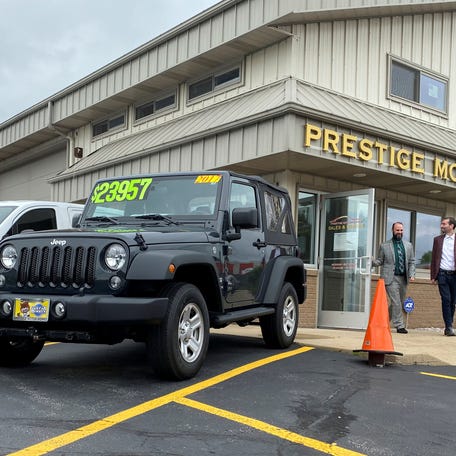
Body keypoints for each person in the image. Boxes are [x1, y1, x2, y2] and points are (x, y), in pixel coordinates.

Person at [373, 222, 415, 333]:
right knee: (396, 302)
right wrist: (370, 261)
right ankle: (399, 325)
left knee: (398, 302)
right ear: (392, 230)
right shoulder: (384, 246)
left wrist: (412, 274)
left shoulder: (408, 245)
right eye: (397, 230)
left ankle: (382, 322)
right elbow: (379, 261)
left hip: (403, 278)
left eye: (401, 230)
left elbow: (412, 262)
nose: (399, 232)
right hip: (390, 278)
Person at [430, 216, 456, 336]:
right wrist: (433, 276)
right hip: (442, 274)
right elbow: (434, 258)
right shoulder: (437, 240)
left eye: (444, 224)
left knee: (453, 302)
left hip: (454, 275)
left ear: (451, 226)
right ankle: (449, 326)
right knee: (446, 300)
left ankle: (448, 326)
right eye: (441, 224)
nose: (442, 226)